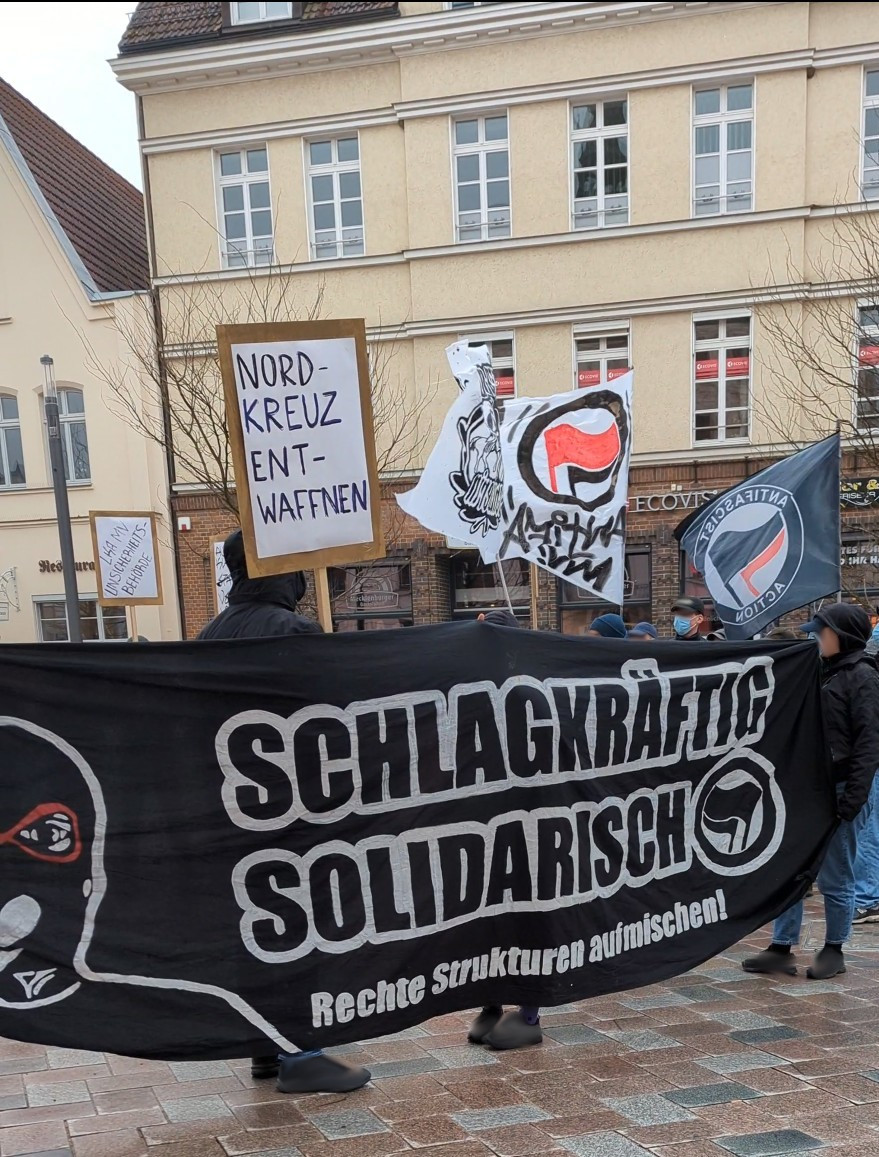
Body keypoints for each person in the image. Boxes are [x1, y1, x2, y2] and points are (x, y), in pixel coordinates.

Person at [198, 529, 370, 1094]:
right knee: (300, 927)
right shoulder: (294, 631)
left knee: (257, 930)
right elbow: (333, 714)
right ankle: (302, 1053)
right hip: (291, 809)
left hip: (231, 813)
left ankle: (265, 1046)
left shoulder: (208, 635)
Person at [743, 604, 879, 980]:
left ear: (842, 635)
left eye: (821, 631)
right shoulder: (818, 670)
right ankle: (781, 946)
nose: (815, 637)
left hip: (841, 790)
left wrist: (853, 799)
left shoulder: (862, 676)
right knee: (791, 870)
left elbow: (869, 743)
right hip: (807, 789)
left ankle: (834, 948)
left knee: (836, 875)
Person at [467, 608, 542, 1049]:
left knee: (527, 919)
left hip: (527, 828)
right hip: (481, 828)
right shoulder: (467, 692)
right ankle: (491, 1000)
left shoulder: (530, 693)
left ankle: (530, 1013)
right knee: (483, 919)